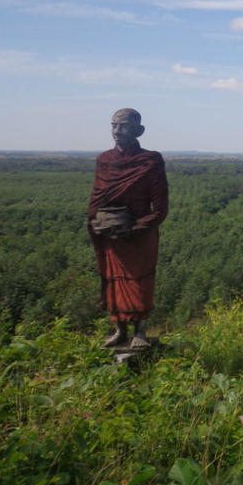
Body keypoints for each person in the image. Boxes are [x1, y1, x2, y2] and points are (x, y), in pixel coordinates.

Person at [88, 108, 168, 349]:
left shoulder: (150, 160)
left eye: (123, 126)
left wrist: (136, 227)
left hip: (140, 234)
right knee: (113, 280)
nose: (117, 131)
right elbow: (97, 197)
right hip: (112, 233)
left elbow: (161, 208)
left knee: (139, 281)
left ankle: (140, 332)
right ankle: (120, 331)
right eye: (113, 125)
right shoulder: (104, 160)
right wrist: (95, 222)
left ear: (138, 130)